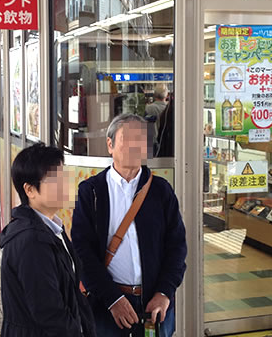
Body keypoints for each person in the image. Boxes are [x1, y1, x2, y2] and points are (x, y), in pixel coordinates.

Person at [72, 113, 187, 337]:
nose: (135, 145)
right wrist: (112, 299)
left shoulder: (161, 190)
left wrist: (164, 292)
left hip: (154, 306)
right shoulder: (91, 192)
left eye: (141, 139)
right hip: (108, 304)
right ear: (110, 144)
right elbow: (82, 250)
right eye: (128, 138)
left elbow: (177, 247)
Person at [0, 144, 96, 337]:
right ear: (30, 190)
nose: (64, 185)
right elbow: (49, 312)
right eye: (54, 180)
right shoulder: (32, 241)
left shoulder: (52, 227)